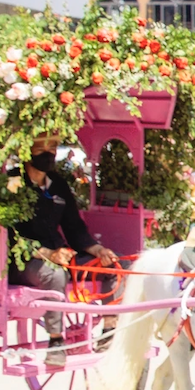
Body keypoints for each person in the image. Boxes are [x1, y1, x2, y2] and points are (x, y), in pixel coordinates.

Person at [12, 144, 117, 368]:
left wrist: (98, 250)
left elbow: (74, 228)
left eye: (52, 147)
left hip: (60, 254)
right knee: (55, 276)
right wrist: (47, 254)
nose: (48, 152)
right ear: (26, 150)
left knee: (110, 267)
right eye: (42, 147)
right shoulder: (13, 183)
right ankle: (56, 342)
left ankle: (109, 330)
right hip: (22, 260)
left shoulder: (58, 184)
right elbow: (10, 236)